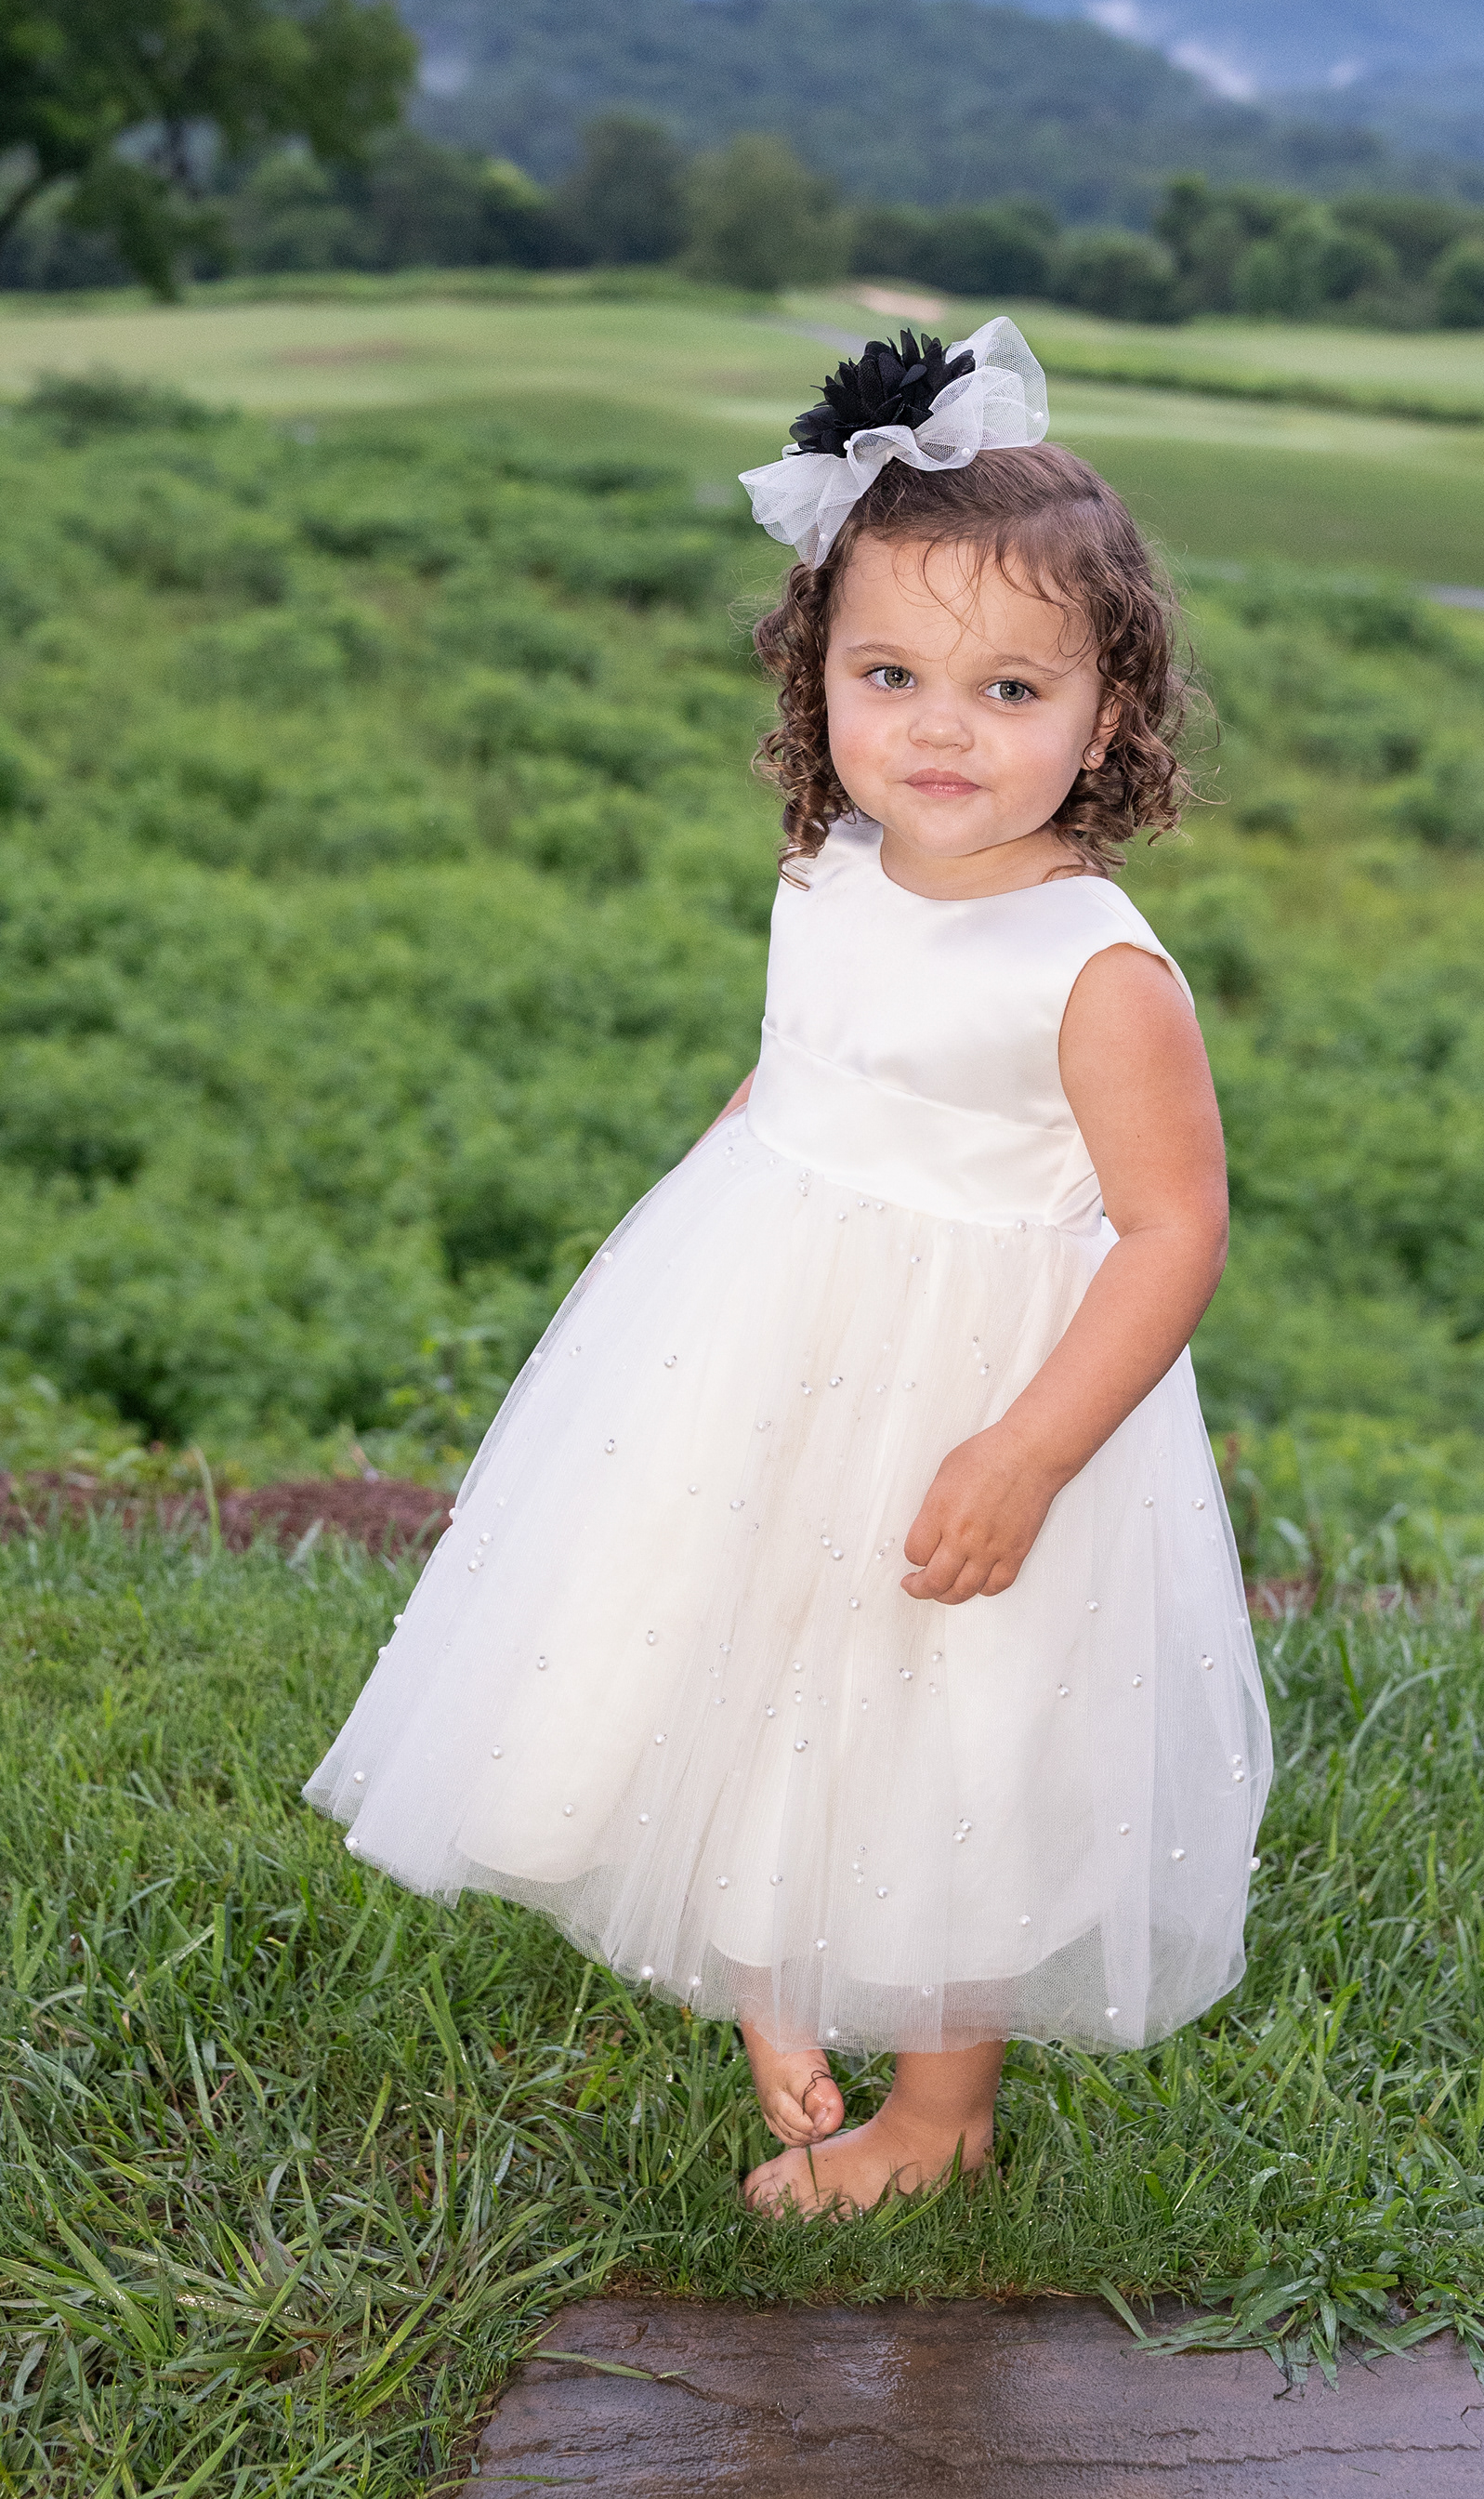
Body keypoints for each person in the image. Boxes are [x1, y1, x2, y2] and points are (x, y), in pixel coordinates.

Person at [305, 318, 1271, 2218]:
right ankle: (774, 1955)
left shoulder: (1096, 969)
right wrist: (677, 1271)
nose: (939, 729)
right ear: (814, 670)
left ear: (1109, 715)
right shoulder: (825, 872)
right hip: (772, 1333)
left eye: (1010, 688)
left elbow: (1176, 1232)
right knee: (752, 1646)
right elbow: (795, 1077)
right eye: (889, 673)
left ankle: (938, 2111)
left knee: (947, 1717)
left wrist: (1029, 1452)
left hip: (975, 1384)